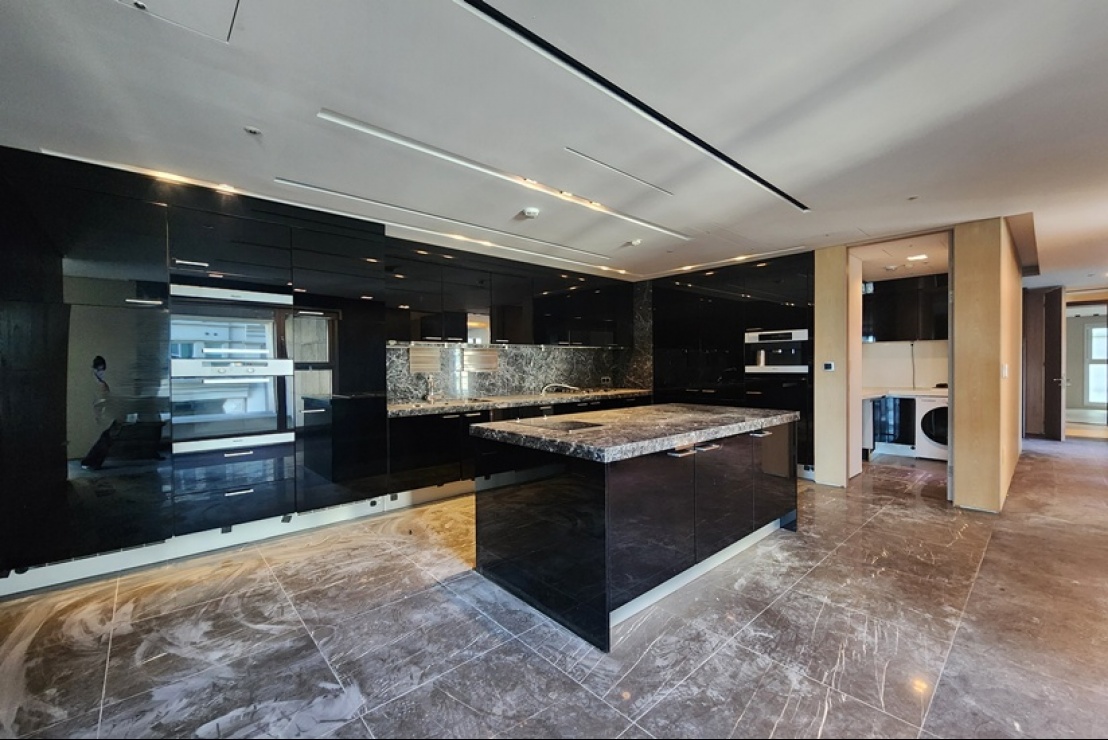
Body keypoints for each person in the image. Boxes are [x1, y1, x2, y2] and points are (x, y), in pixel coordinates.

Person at [80, 355, 120, 470]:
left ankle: (91, 462)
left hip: (105, 415)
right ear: (95, 369)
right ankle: (92, 462)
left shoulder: (101, 383)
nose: (101, 372)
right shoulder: (96, 384)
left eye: (103, 370)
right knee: (103, 441)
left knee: (103, 440)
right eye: (99, 369)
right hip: (102, 415)